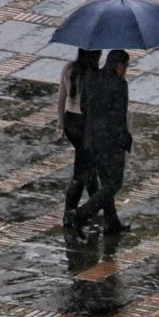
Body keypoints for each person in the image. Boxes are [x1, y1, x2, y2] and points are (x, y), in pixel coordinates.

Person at [67, 49, 133, 238]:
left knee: (104, 182)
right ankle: (80, 214)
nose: (125, 71)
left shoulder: (91, 77)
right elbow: (119, 116)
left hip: (90, 139)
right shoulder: (120, 85)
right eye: (126, 66)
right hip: (110, 142)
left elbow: (83, 107)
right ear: (119, 65)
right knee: (113, 183)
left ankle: (111, 221)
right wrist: (124, 139)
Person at [58, 48, 101, 228]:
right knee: (82, 171)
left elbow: (61, 98)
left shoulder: (68, 69)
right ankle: (71, 212)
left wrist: (61, 124)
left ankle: (92, 207)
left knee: (88, 166)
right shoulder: (93, 74)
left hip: (70, 121)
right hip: (85, 124)